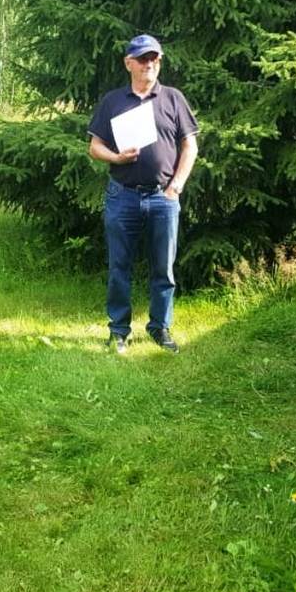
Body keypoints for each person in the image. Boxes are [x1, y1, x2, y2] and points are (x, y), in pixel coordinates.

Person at [88, 34, 199, 355]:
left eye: (154, 58)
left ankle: (160, 328)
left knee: (164, 269)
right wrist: (116, 158)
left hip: (164, 198)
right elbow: (94, 147)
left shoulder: (173, 98)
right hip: (122, 196)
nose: (149, 63)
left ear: (159, 61)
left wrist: (176, 186)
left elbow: (190, 145)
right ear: (128, 63)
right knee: (119, 268)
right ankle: (118, 331)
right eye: (142, 58)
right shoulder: (113, 101)